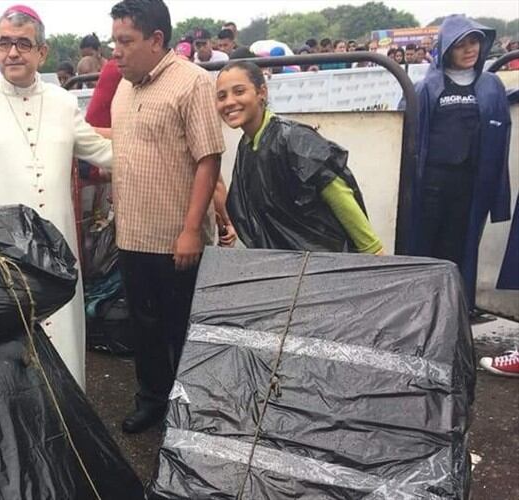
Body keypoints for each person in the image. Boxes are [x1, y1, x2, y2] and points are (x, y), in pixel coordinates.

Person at [0, 4, 113, 389]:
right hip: (0, 254)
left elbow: (101, 152)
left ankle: (70, 428)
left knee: (64, 345)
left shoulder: (62, 101)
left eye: (23, 43)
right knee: (10, 355)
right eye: (5, 43)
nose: (13, 52)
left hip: (57, 249)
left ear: (42, 52)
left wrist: (162, 153)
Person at [109, 0, 225, 434]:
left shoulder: (191, 82)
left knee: (183, 329)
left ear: (156, 40)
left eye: (126, 41)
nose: (115, 52)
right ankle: (153, 400)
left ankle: (193, 412)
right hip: (132, 234)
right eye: (114, 42)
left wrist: (192, 229)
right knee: (144, 327)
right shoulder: (125, 86)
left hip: (177, 239)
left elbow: (207, 159)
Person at [215, 61, 383, 254]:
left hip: (321, 260)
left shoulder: (294, 138)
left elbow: (337, 193)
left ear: (262, 92)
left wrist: (373, 250)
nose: (229, 102)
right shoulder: (247, 145)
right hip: (282, 262)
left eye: (239, 91)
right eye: (222, 96)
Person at [408, 15, 511, 316]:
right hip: (431, 183)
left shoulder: (492, 85)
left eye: (474, 42)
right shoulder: (426, 86)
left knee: (461, 246)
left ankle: (455, 307)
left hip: (470, 184)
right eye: (460, 45)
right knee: (424, 244)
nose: (469, 50)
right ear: (446, 49)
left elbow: (502, 132)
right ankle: (419, 306)